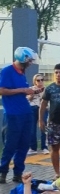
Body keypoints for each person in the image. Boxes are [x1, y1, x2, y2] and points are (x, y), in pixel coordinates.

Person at [0, 47, 39, 184]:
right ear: (23, 58)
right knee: (10, 145)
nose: (30, 63)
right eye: (29, 60)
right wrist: (23, 90)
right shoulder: (7, 71)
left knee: (24, 145)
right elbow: (2, 90)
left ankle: (18, 173)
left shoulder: (22, 73)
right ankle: (3, 172)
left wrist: (30, 92)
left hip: (26, 113)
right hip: (13, 114)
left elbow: (20, 92)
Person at [27, 73, 49, 155]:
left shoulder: (46, 89)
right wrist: (31, 95)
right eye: (38, 80)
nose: (40, 82)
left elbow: (48, 100)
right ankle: (33, 148)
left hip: (43, 109)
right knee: (32, 129)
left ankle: (44, 147)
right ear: (35, 81)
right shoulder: (30, 89)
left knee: (43, 127)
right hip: (33, 108)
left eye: (42, 80)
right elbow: (27, 100)